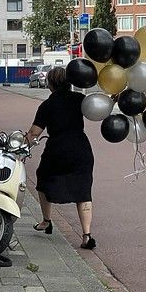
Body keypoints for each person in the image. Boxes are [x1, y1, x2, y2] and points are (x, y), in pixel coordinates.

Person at [25, 66, 95, 250]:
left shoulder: (47, 105)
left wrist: (22, 149)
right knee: (83, 190)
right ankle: (86, 235)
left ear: (50, 84)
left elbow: (34, 132)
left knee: (43, 179)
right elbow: (97, 110)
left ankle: (46, 221)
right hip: (81, 149)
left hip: (58, 149)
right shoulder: (80, 100)